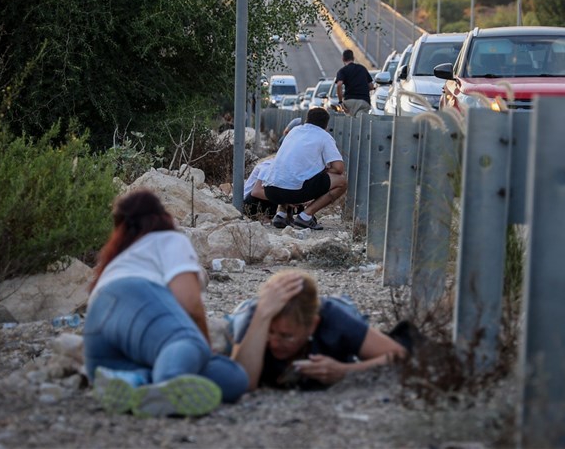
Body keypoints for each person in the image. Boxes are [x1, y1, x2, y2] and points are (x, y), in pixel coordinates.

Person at [84, 189, 249, 417]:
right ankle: (168, 385)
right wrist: (202, 345)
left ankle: (133, 381)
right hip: (135, 296)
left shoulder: (120, 256)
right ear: (162, 216)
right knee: (189, 344)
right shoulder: (169, 239)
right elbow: (189, 302)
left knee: (231, 378)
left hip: (98, 335)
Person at [229, 270, 407, 390]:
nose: (275, 342)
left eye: (286, 336)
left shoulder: (333, 320)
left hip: (338, 306)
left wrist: (345, 371)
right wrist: (261, 318)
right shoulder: (257, 316)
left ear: (313, 325)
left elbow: (399, 356)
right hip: (246, 313)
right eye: (270, 333)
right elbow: (243, 381)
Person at [252, 107, 346, 230]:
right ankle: (306, 216)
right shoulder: (324, 136)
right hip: (295, 191)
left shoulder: (294, 131)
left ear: (306, 119)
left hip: (271, 191)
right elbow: (339, 168)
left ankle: (281, 214)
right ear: (326, 125)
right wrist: (323, 171)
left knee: (291, 173)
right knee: (342, 182)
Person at [242, 117, 302, 223]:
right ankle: (267, 217)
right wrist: (285, 200)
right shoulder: (270, 165)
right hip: (249, 202)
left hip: (262, 199)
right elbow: (256, 192)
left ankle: (285, 216)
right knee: (276, 191)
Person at [335, 49, 375, 117]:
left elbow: (339, 84)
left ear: (343, 59)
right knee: (361, 121)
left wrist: (340, 101)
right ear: (353, 58)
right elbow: (371, 86)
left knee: (350, 122)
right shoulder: (362, 69)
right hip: (363, 101)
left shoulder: (342, 71)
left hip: (349, 101)